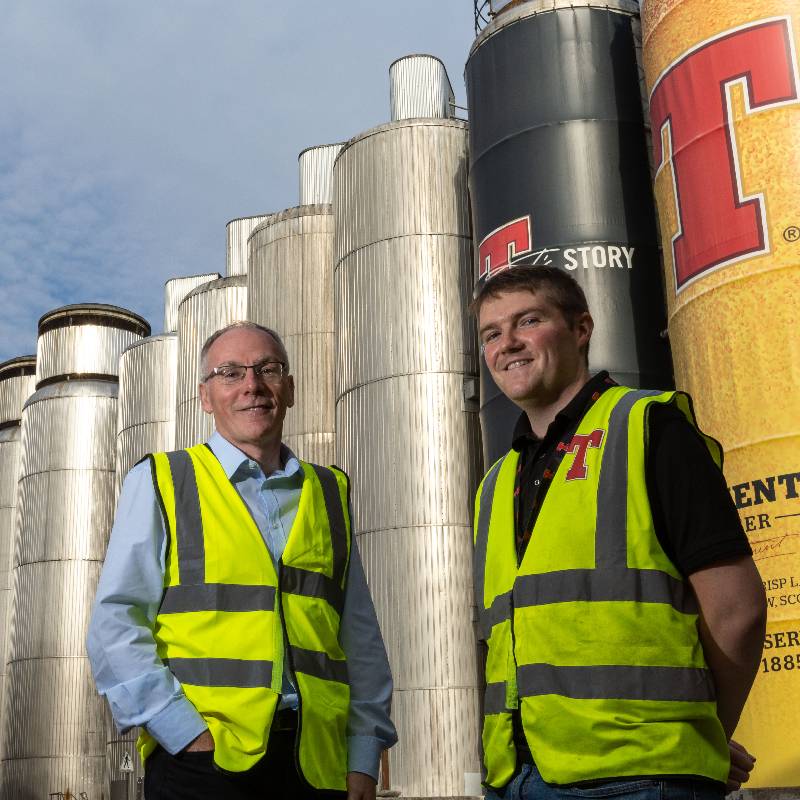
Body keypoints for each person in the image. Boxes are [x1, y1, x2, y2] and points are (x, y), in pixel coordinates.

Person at [471, 266, 767, 800]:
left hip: (639, 776)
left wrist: (702, 736)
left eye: (528, 321)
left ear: (581, 328)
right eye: (491, 333)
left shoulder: (648, 427)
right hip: (515, 775)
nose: (507, 343)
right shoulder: (495, 484)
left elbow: (736, 608)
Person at [88, 322, 397, 800]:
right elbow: (116, 622)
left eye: (267, 369)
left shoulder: (329, 493)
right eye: (230, 373)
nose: (251, 385)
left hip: (318, 763)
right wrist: (182, 732)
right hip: (204, 764)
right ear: (205, 397)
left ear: (289, 388)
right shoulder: (164, 481)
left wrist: (364, 753)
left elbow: (360, 638)